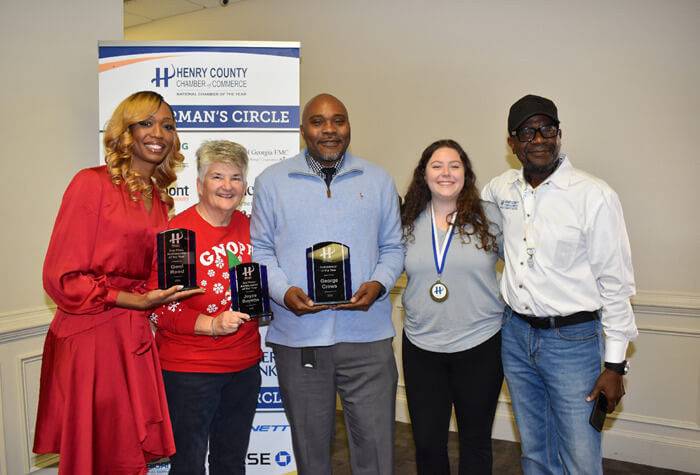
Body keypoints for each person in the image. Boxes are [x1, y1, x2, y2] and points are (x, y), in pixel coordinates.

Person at [34, 91, 203, 475]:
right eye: (146, 122)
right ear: (126, 131)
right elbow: (61, 277)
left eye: (168, 125)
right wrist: (131, 299)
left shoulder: (159, 199)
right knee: (100, 455)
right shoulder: (90, 184)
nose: (158, 132)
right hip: (91, 334)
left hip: (133, 335)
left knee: (124, 455)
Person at [481, 94, 638, 474]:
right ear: (512, 143)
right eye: (527, 132)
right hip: (516, 337)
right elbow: (471, 232)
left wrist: (615, 364)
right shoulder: (499, 190)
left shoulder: (594, 195)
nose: (538, 139)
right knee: (535, 451)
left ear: (559, 134)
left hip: (573, 341)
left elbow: (615, 283)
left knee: (580, 456)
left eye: (546, 129)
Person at [249, 93, 404, 475]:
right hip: (299, 338)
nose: (330, 129)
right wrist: (284, 292)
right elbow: (260, 251)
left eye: (339, 120)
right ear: (303, 130)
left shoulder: (379, 179)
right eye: (318, 122)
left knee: (377, 451)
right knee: (310, 453)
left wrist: (380, 284)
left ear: (349, 127)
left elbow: (394, 247)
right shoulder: (271, 182)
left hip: (367, 339)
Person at [149, 140, 262, 475]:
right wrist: (211, 325)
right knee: (188, 465)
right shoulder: (178, 235)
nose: (227, 186)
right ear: (199, 184)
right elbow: (161, 308)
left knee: (230, 462)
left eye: (236, 177)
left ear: (244, 185)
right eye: (217, 177)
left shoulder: (253, 227)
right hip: (190, 370)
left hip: (243, 366)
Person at [401, 139, 504, 474]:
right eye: (437, 165)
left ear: (466, 173)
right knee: (428, 444)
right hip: (421, 347)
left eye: (454, 165)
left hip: (481, 344)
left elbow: (524, 267)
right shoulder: (406, 218)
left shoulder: (490, 216)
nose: (446, 173)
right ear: (423, 174)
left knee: (476, 442)